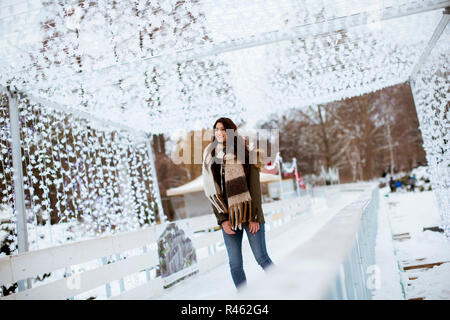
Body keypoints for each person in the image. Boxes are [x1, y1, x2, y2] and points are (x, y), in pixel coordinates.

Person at [202, 117, 274, 290]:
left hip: (250, 214)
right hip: (228, 217)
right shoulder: (211, 157)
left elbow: (254, 188)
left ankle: (286, 288)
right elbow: (212, 190)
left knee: (261, 258)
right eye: (216, 129)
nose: (219, 132)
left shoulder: (246, 153)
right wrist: (222, 219)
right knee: (235, 265)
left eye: (223, 129)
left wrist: (254, 216)